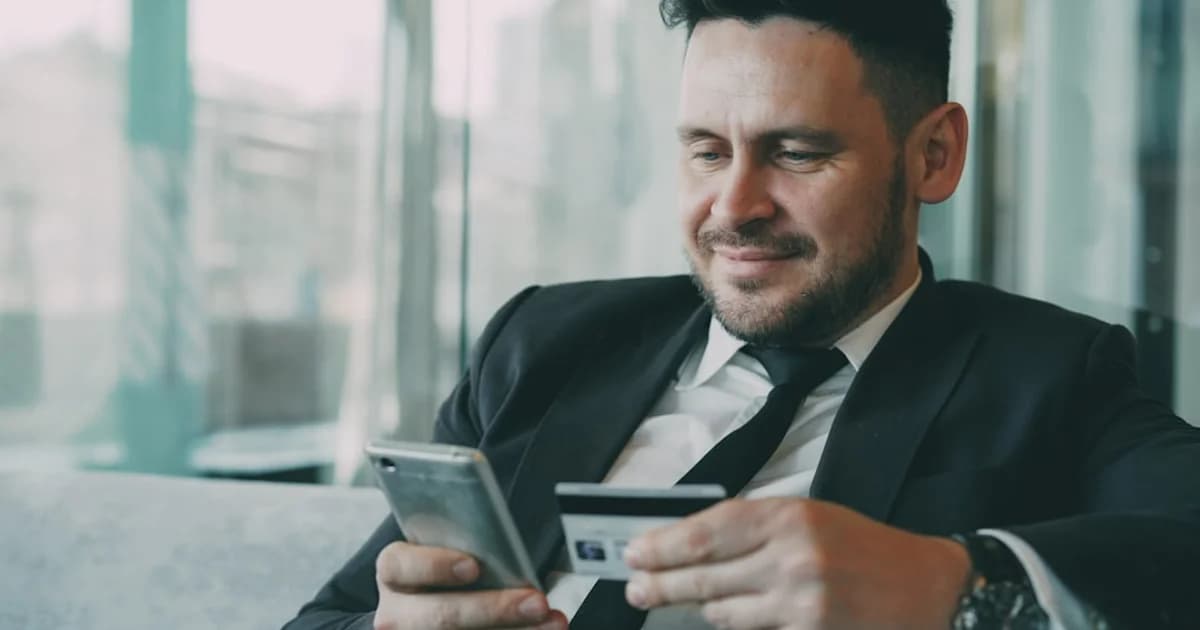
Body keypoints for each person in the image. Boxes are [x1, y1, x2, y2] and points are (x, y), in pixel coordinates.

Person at [285, 1, 1200, 628]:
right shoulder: (540, 344)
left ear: (934, 156)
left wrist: (949, 585)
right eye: (706, 151)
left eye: (796, 153)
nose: (732, 206)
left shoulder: (1050, 374)